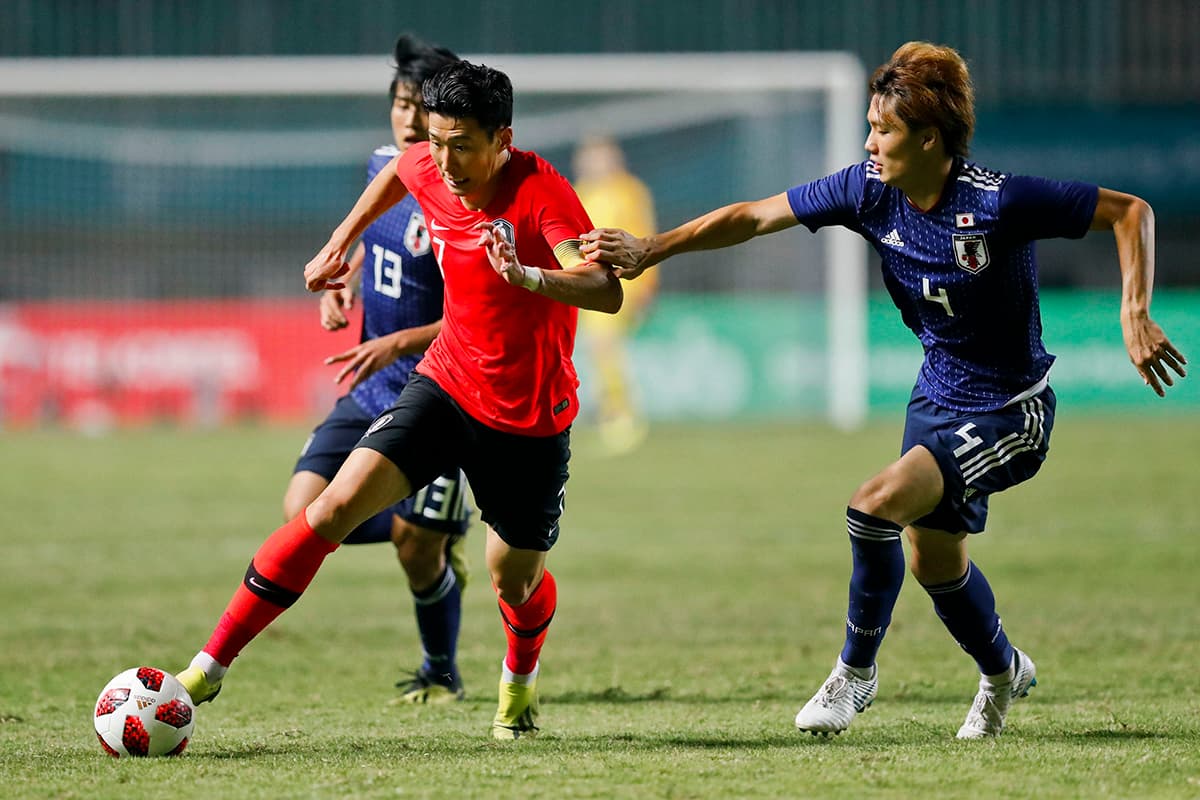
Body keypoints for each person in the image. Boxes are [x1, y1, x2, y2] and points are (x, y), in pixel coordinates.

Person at [581, 41, 1186, 739]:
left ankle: (855, 675)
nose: (869, 142)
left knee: (871, 506)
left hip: (1011, 409)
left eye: (884, 129)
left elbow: (1130, 211)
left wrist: (1133, 309)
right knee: (936, 564)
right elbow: (752, 216)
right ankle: (1002, 673)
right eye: (869, 125)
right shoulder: (867, 190)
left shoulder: (1001, 201)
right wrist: (651, 248)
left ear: (929, 139)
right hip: (936, 397)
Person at [177, 59, 623, 741]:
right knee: (326, 507)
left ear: (503, 137)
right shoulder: (431, 163)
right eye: (436, 141)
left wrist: (527, 274)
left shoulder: (542, 193)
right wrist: (340, 240)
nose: (443, 161)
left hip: (528, 419)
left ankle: (519, 683)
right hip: (444, 386)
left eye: (461, 145)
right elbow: (399, 171)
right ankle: (204, 670)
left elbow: (604, 287)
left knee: (515, 579)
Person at [283, 34, 471, 704]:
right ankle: (421, 523)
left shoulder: (463, 196)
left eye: (421, 106)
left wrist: (398, 344)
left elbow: (486, 313)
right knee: (300, 513)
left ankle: (441, 670)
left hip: (441, 396)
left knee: (417, 551)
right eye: (400, 103)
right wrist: (346, 282)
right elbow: (377, 244)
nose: (409, 119)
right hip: (372, 390)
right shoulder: (381, 167)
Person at [571, 134, 659, 454]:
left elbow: (647, 236)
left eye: (601, 156)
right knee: (600, 351)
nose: (595, 164)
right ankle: (611, 409)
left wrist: (648, 283)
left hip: (624, 281)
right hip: (587, 281)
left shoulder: (630, 191)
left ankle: (621, 414)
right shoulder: (581, 192)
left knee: (603, 345)